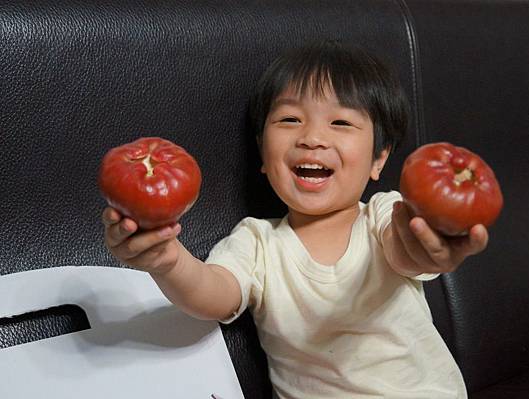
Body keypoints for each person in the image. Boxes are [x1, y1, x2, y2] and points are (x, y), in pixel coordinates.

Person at [102, 40, 488, 398]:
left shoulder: (385, 215)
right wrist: (166, 261)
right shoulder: (258, 241)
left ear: (379, 159)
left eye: (340, 123)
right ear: (262, 154)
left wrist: (428, 247)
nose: (312, 137)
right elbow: (214, 295)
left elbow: (405, 250)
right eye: (289, 120)